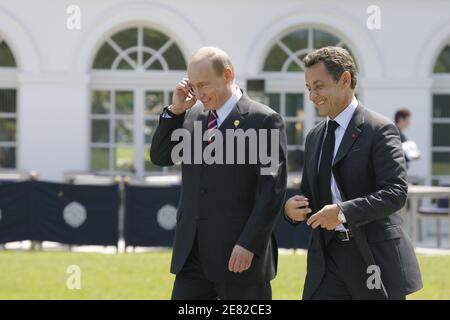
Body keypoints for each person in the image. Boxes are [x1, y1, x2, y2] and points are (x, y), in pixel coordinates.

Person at [284, 46, 422, 300]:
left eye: (319, 86)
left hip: (371, 258)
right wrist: (292, 209)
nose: (313, 96)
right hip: (326, 260)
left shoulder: (379, 129)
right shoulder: (314, 137)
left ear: (345, 80)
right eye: (308, 88)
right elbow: (309, 194)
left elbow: (395, 193)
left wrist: (342, 212)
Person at [150, 47, 287, 300]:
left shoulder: (264, 120)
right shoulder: (191, 116)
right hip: (192, 254)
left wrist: (249, 244)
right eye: (193, 86)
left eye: (204, 85)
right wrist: (176, 111)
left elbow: (271, 191)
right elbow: (160, 156)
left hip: (240, 256)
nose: (199, 94)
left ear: (227, 74)